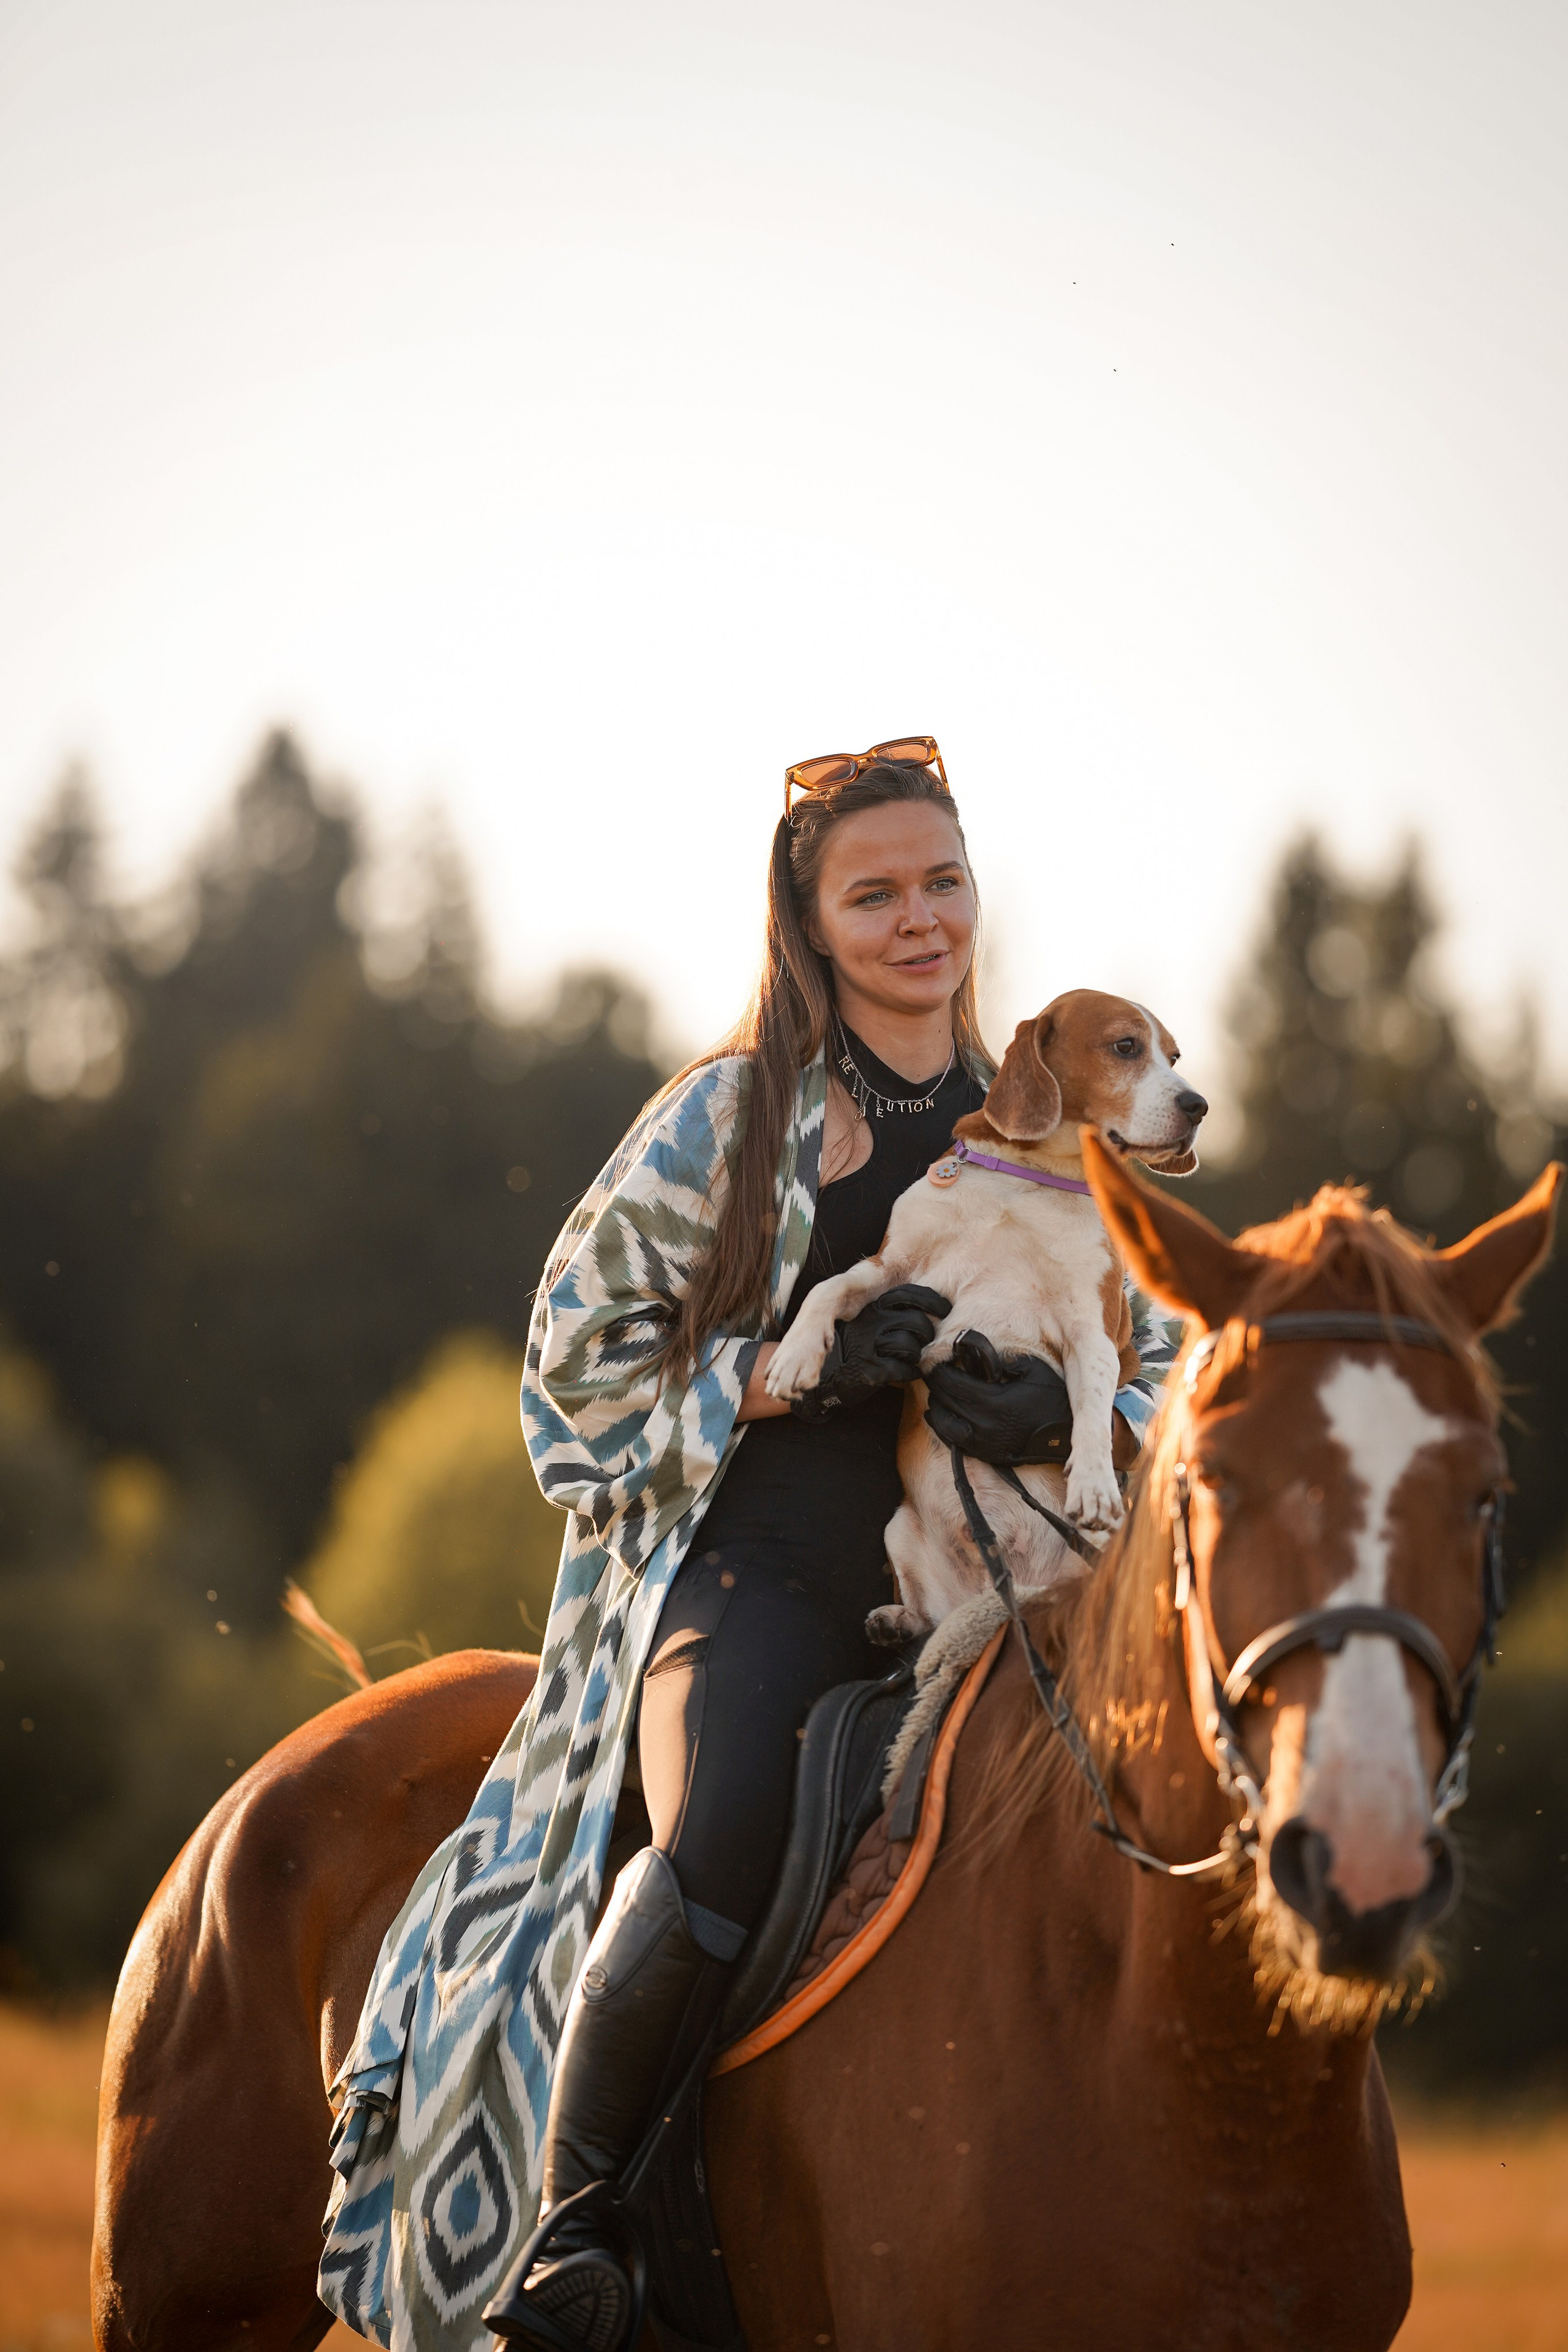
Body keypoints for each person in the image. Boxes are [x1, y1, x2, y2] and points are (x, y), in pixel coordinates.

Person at [481, 741, 1174, 2351]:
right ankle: (572, 2239)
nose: (918, 919)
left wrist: (1086, 1418)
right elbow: (570, 1360)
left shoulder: (1073, 1095)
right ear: (812, 921)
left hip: (1023, 1581)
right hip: (764, 1576)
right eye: (875, 894)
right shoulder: (735, 1116)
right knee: (721, 1821)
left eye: (943, 881)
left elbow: (1151, 1350)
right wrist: (782, 1384)